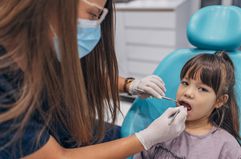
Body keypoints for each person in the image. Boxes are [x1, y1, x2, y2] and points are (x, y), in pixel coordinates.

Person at [0, 0, 187, 158]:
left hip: (62, 128)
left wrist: (131, 85)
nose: (94, 27)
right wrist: (146, 138)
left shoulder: (45, 44)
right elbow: (56, 156)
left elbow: (83, 79)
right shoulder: (5, 78)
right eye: (92, 15)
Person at [134, 51, 241, 159]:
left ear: (219, 101)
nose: (188, 93)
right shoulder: (159, 130)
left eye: (202, 89)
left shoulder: (227, 147)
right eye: (185, 83)